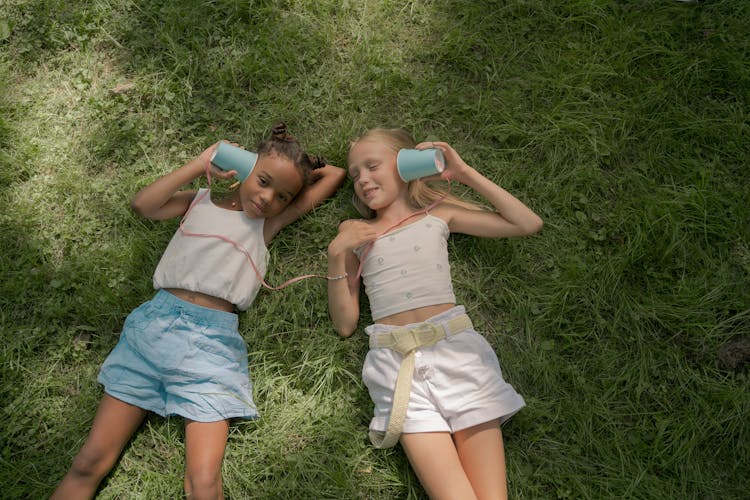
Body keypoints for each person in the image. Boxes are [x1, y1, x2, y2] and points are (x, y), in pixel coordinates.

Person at [52, 123, 346, 500]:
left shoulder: (267, 224)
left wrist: (303, 171)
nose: (268, 198)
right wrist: (202, 162)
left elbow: (334, 175)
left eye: (282, 196)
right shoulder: (198, 201)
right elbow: (144, 205)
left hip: (212, 347)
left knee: (204, 482)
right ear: (243, 168)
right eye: (263, 181)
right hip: (153, 332)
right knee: (88, 461)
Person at [326, 128, 542, 500]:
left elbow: (526, 223)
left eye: (372, 166)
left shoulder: (438, 214)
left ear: (406, 165)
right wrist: (335, 255)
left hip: (457, 353)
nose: (362, 179)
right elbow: (345, 324)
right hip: (396, 364)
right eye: (355, 173)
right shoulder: (354, 231)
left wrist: (462, 172)